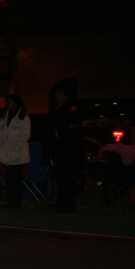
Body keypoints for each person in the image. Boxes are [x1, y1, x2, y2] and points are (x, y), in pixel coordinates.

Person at [43, 85, 82, 213]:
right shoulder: (58, 109)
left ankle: (67, 205)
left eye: (59, 94)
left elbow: (70, 131)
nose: (56, 96)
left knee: (67, 178)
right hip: (58, 149)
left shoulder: (71, 110)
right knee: (60, 177)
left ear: (66, 96)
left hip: (65, 151)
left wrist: (62, 146)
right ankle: (61, 202)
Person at [0, 93, 31, 208]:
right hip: (6, 152)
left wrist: (15, 147)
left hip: (17, 153)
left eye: (9, 102)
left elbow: (24, 135)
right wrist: (0, 146)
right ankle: (11, 201)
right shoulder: (5, 116)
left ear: (15, 103)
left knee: (16, 178)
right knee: (9, 178)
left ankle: (17, 201)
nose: (7, 105)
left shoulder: (23, 117)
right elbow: (0, 132)